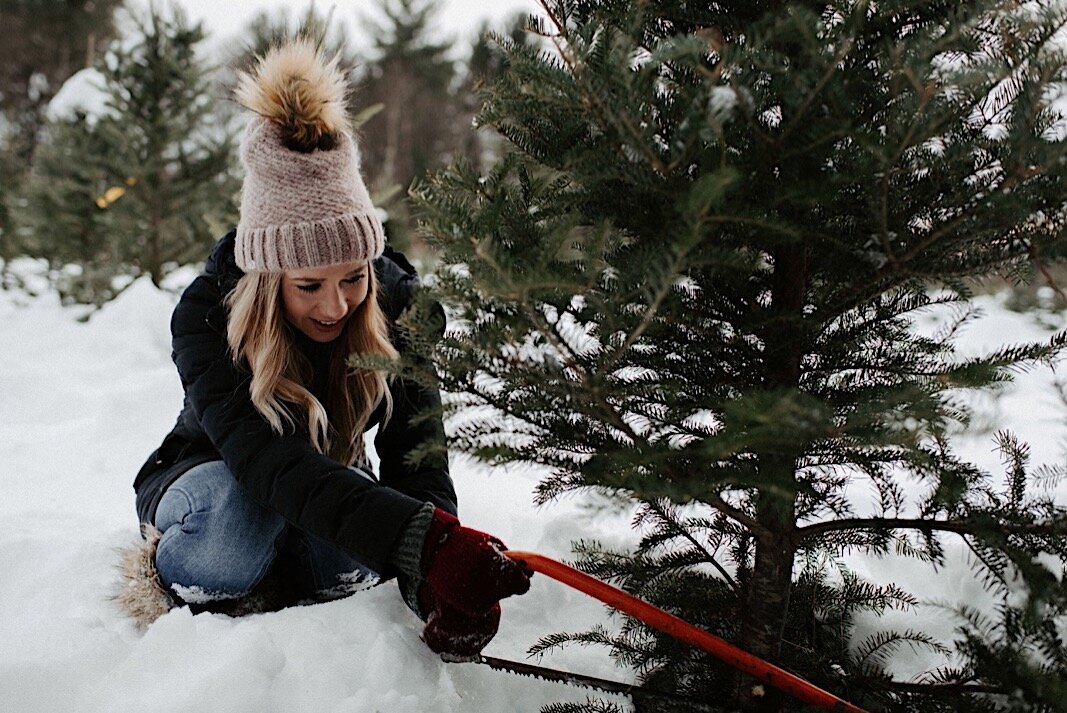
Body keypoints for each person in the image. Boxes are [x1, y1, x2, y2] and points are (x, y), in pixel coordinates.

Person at [116, 39, 530, 659]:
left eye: (353, 279)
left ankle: (303, 565)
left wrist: (435, 583)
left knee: (348, 564)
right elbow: (266, 462)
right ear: (267, 279)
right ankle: (198, 567)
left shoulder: (399, 311)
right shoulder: (209, 316)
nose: (336, 307)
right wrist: (425, 543)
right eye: (309, 286)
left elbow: (418, 463)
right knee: (236, 530)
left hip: (331, 479)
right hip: (218, 477)